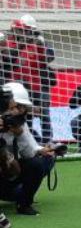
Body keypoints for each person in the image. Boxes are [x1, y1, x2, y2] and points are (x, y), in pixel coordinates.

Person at [0, 82, 57, 216]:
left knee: (41, 161)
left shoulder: (18, 122)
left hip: (10, 175)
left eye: (19, 107)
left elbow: (29, 153)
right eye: (14, 107)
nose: (18, 111)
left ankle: (24, 203)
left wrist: (19, 134)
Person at [9, 15, 55, 143]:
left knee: (44, 114)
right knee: (24, 116)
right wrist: (20, 45)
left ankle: (48, 141)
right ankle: (29, 141)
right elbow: (9, 57)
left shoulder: (38, 43)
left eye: (28, 31)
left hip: (37, 85)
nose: (25, 33)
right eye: (23, 30)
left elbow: (48, 58)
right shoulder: (9, 43)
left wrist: (40, 44)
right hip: (17, 87)